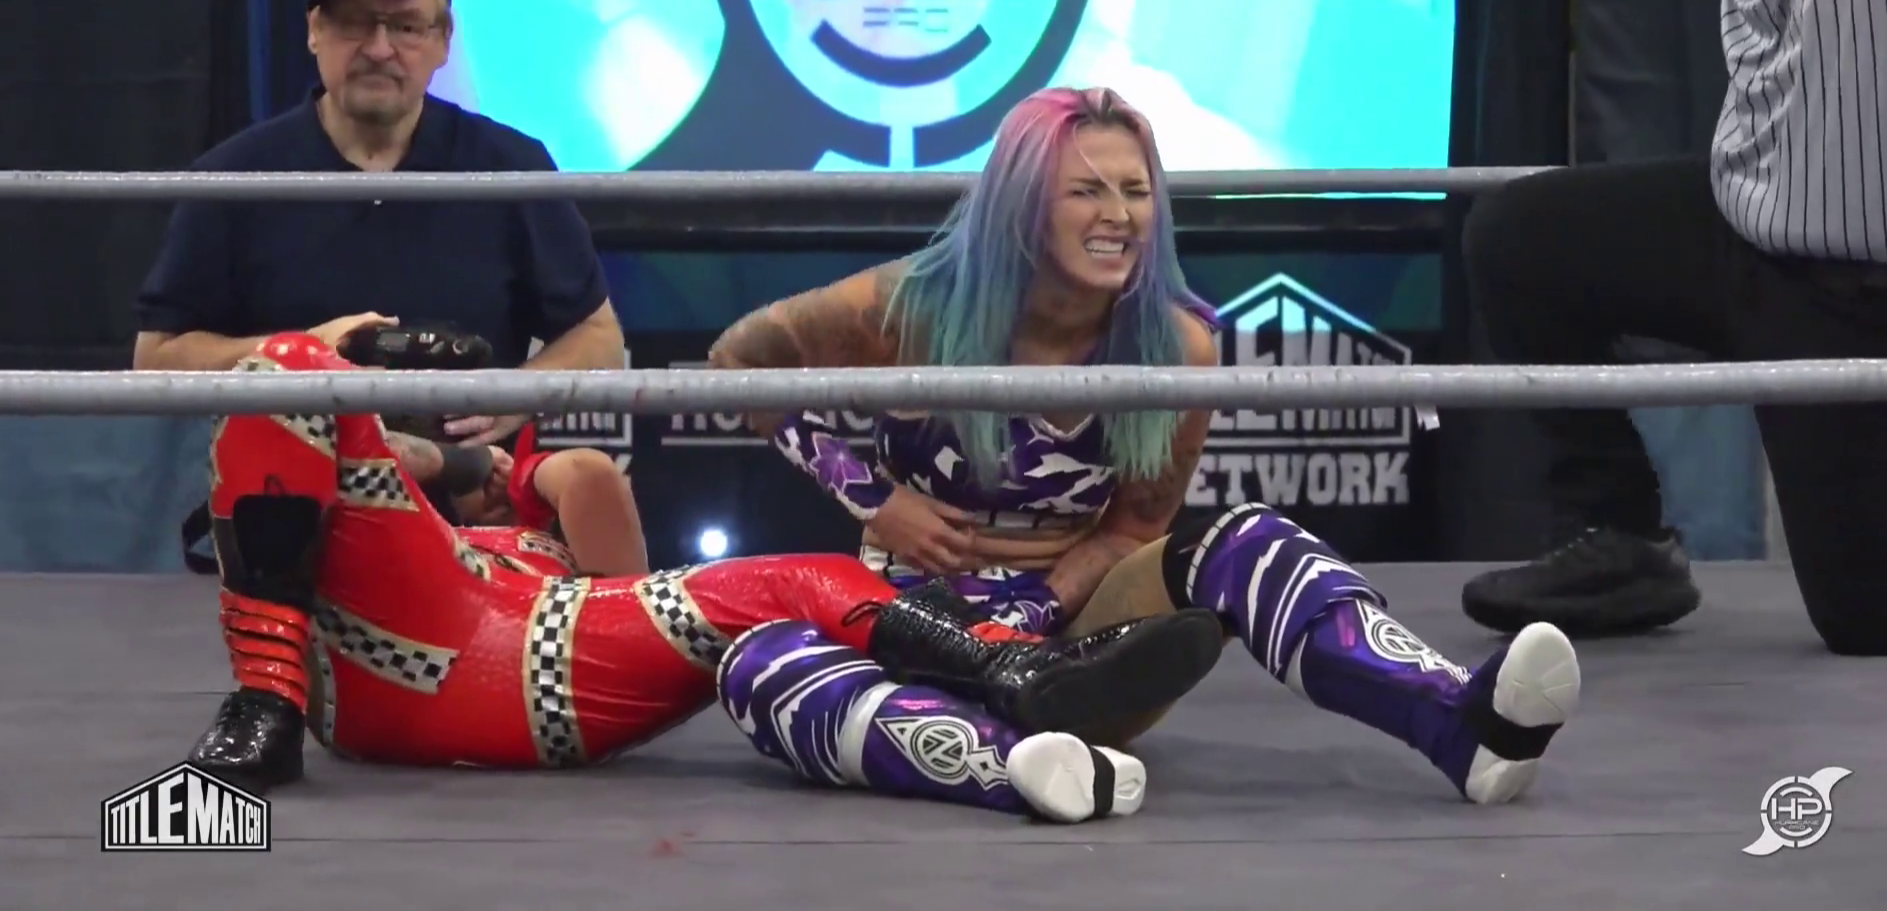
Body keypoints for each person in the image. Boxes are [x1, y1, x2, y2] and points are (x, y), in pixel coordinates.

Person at [709, 86, 1584, 804]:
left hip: (1078, 640)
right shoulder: (912, 307)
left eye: (1134, 190)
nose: (1118, 215)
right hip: (917, 625)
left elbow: (1133, 529)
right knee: (761, 666)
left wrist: (1036, 615)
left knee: (1245, 540)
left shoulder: (1177, 346)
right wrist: (877, 499)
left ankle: (1459, 723)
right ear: (1022, 204)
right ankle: (1021, 771)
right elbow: (735, 361)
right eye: (1087, 191)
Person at [185, 333, 1227, 825]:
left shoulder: (525, 515)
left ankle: (1019, 758)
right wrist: (404, 417)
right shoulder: (371, 536)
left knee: (786, 651)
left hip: (524, 665)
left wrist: (484, 470)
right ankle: (1018, 668)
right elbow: (298, 411)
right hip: (434, 664)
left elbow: (592, 492)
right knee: (284, 368)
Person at [1458, 0, 1887, 653]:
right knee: (1518, 241)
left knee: (1872, 619)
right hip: (1745, 233)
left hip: (1864, 294)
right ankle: (1618, 538)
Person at [133, 0, 623, 451]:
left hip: (468, 492)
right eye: (354, 22)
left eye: (406, 27)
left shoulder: (511, 167)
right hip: (286, 491)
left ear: (444, 40)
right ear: (314, 30)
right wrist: (295, 356)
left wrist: (516, 394)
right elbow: (156, 358)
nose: (379, 48)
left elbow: (598, 336)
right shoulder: (234, 177)